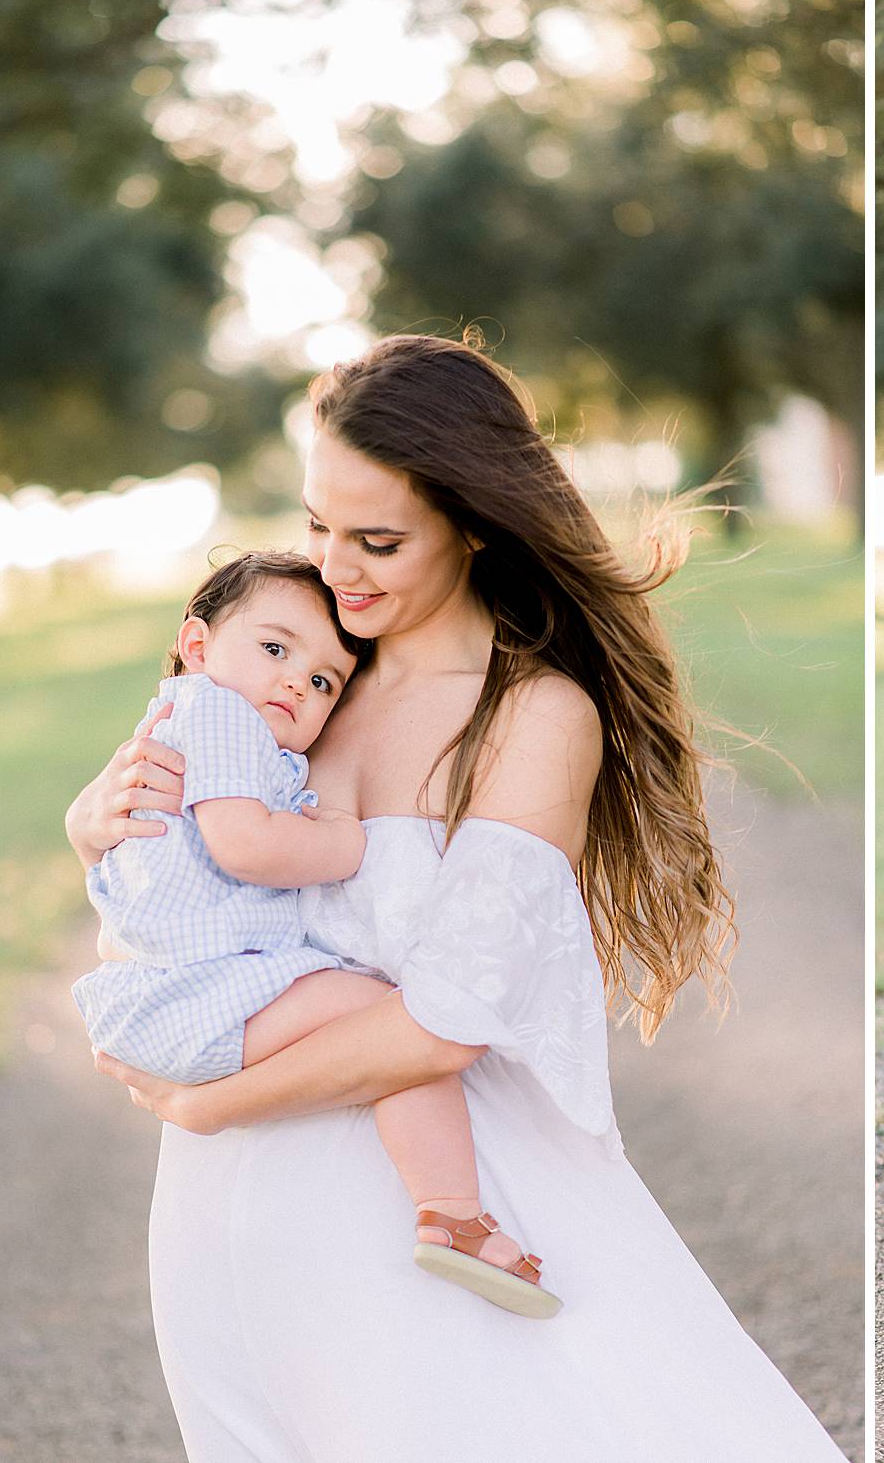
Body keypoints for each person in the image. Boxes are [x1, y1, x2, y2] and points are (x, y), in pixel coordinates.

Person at [66, 332, 846, 1460]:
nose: (337, 567)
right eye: (320, 525)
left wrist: (207, 1105)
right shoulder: (294, 683)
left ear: (474, 523)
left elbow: (445, 1022)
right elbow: (175, 904)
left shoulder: (533, 716)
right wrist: (94, 825)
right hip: (225, 1217)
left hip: (433, 1216)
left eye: (378, 540)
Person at [73, 551, 560, 1319]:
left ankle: (449, 1211)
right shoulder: (218, 713)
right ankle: (453, 1211)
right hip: (200, 995)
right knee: (382, 1016)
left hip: (189, 992)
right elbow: (246, 846)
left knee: (386, 1022)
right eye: (275, 649)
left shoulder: (219, 729)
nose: (299, 680)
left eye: (326, 679)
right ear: (198, 646)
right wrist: (348, 842)